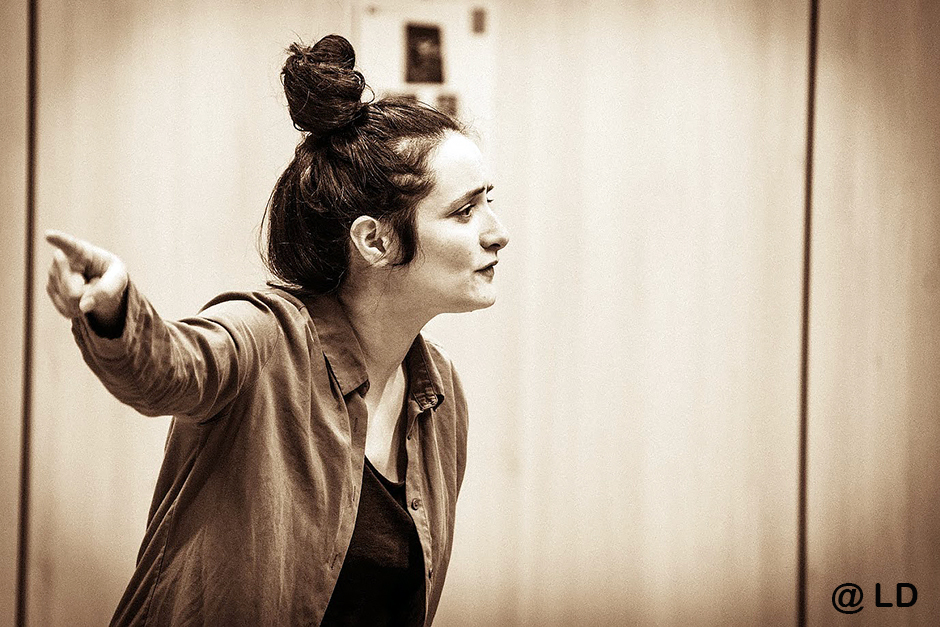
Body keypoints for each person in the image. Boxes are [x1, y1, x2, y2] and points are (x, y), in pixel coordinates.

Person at [44, 34, 508, 626]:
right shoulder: (265, 337)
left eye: (488, 202)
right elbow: (167, 368)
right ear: (375, 240)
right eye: (465, 211)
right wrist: (114, 309)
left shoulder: (440, 393)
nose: (497, 232)